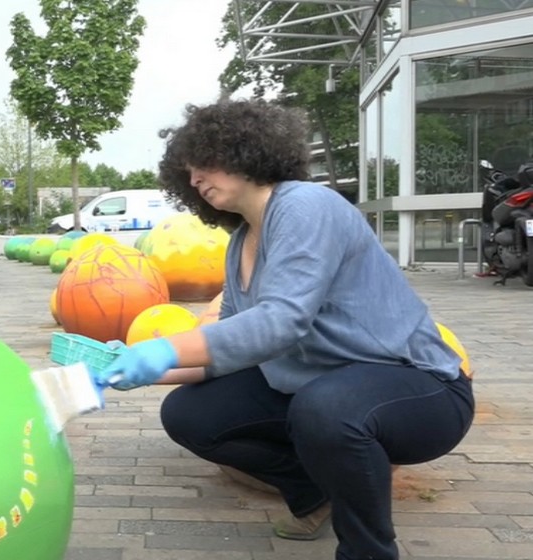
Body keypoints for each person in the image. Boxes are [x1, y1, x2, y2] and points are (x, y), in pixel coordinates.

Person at [96, 99, 475, 560]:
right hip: (321, 389)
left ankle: (368, 550)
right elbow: (231, 349)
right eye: (188, 172)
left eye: (203, 163)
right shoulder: (239, 244)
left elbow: (281, 321)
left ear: (243, 151)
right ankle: (312, 491)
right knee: (189, 415)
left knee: (327, 409)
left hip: (421, 389)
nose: (194, 179)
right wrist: (133, 370)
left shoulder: (306, 204)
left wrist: (164, 350)